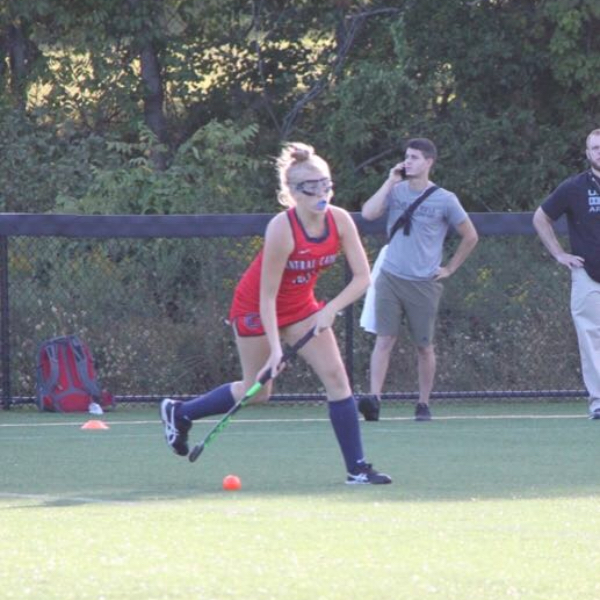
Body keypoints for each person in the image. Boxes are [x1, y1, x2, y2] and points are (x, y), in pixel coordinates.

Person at [160, 142, 392, 484]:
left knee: (338, 380)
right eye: (310, 187)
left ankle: (356, 469)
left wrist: (330, 309)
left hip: (302, 309)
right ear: (292, 193)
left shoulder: (340, 220)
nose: (320, 192)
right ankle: (180, 413)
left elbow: (363, 278)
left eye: (325, 183)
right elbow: (266, 296)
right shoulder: (282, 229)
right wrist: (276, 349)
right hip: (255, 309)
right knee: (259, 391)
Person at [360, 138, 478, 421]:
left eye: (414, 157)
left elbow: (470, 235)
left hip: (423, 282)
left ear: (428, 162)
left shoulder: (444, 199)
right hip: (390, 275)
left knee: (424, 345)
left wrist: (449, 268)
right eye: (406, 157)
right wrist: (390, 181)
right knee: (384, 338)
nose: (408, 161)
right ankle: (374, 400)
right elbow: (368, 213)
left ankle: (423, 403)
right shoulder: (397, 191)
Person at [533, 128, 600, 420]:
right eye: (595, 148)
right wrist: (560, 255)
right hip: (588, 275)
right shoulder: (574, 187)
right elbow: (541, 217)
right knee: (591, 341)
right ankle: (599, 403)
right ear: (587, 154)